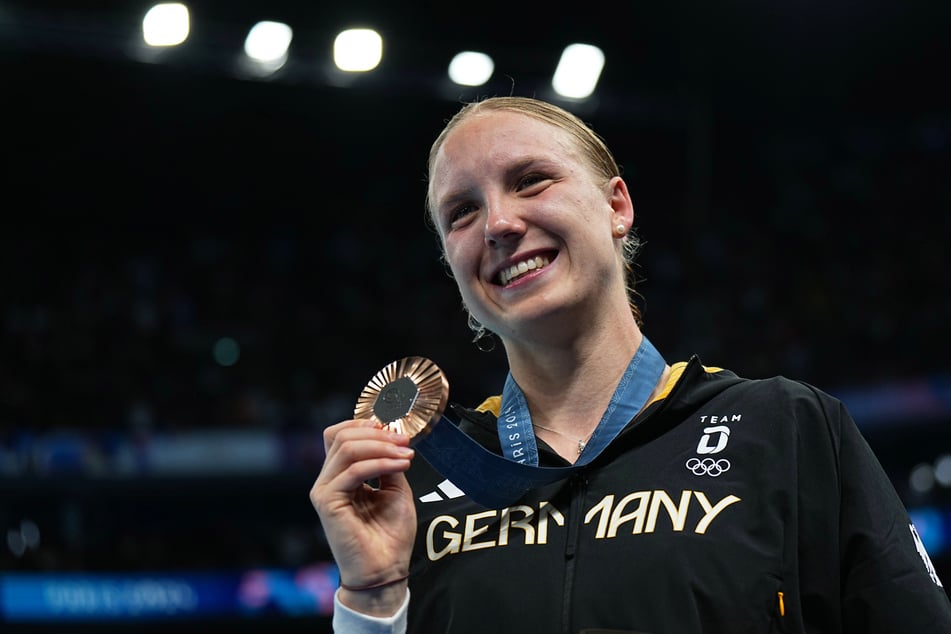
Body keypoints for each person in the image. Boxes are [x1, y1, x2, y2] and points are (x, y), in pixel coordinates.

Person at [309, 96, 951, 633]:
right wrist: (372, 597)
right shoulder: (414, 483)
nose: (499, 223)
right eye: (462, 212)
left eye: (531, 180)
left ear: (617, 205)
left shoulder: (786, 428)